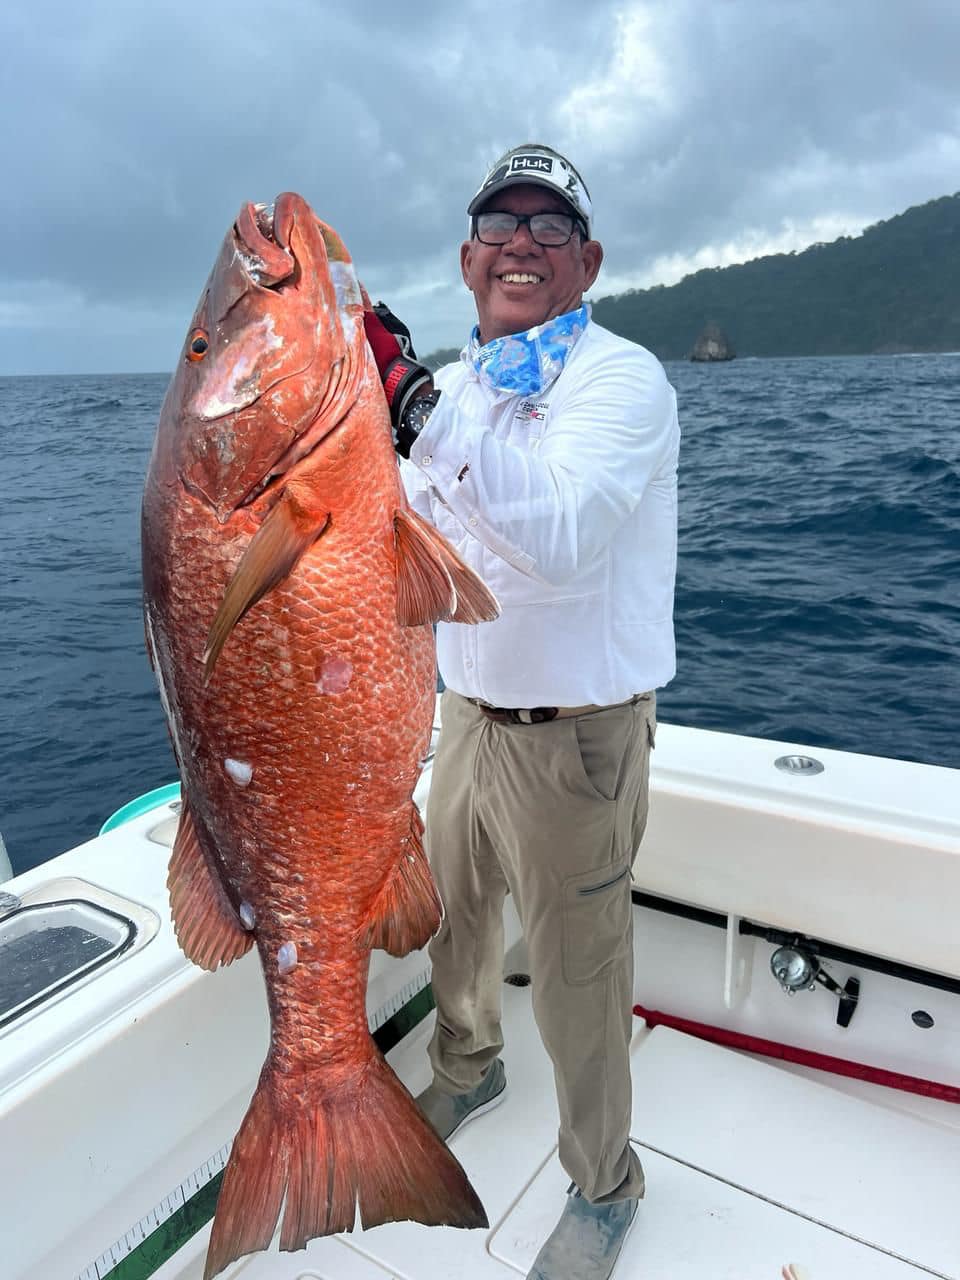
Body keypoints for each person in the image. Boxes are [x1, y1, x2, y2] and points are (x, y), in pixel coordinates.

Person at [362, 143, 679, 1280]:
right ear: (465, 258)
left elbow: (558, 534)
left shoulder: (622, 381)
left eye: (552, 229)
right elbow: (393, 546)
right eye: (501, 224)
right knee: (451, 915)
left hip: (578, 740)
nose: (523, 245)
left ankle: (604, 1181)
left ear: (587, 262)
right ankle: (466, 1064)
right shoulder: (455, 388)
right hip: (466, 716)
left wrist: (411, 403)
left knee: (579, 968)